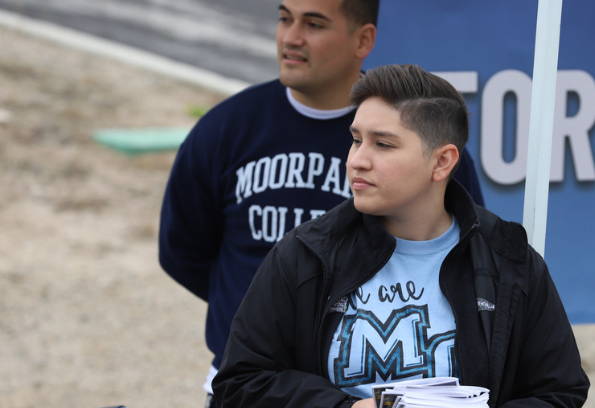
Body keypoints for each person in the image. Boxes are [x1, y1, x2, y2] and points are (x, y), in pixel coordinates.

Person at [158, 0, 485, 405]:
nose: (291, 37)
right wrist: (268, 312)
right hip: (255, 388)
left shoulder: (422, 143)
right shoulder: (225, 129)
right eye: (284, 18)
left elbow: (465, 251)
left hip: (382, 390)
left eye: (313, 24)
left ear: (363, 39)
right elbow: (183, 250)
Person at [212, 64, 589, 408]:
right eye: (356, 139)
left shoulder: (509, 260)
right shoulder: (305, 253)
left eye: (383, 144)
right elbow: (241, 382)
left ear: (442, 162)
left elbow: (559, 393)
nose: (357, 159)